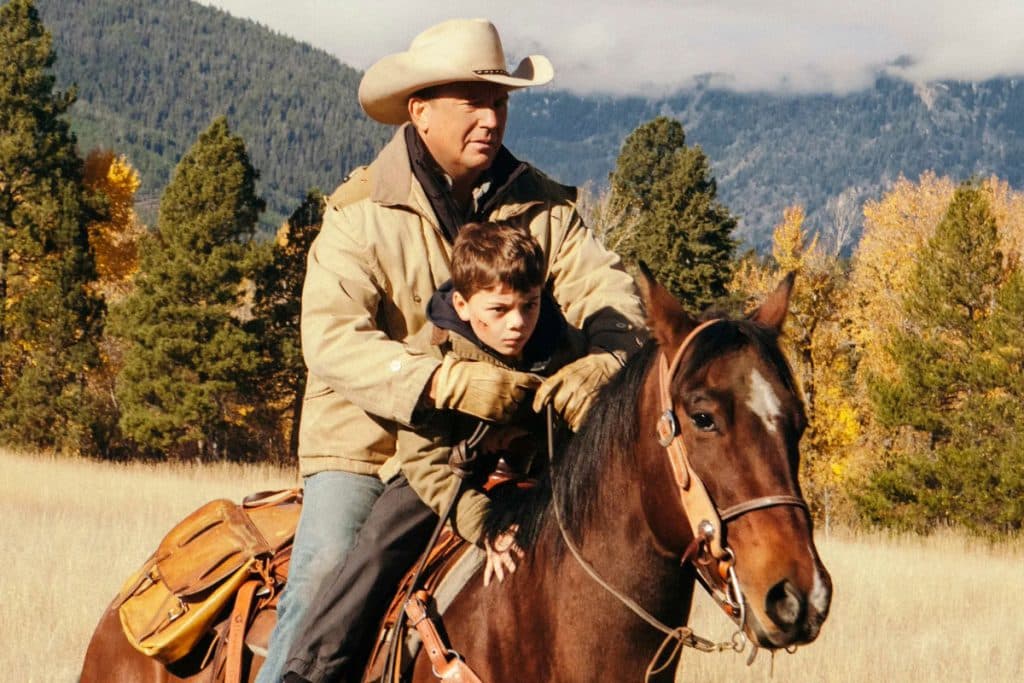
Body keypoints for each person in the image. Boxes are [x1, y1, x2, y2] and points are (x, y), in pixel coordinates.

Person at [256, 17, 645, 683]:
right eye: (472, 101)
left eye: (498, 102)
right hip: (369, 449)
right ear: (420, 110)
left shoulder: (544, 210)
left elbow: (608, 293)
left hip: (518, 442)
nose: (490, 119)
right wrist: (441, 383)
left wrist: (609, 359)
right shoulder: (360, 215)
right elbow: (330, 339)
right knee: (324, 576)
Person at [281, 221, 587, 682]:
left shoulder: (558, 345)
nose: (518, 323)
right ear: (462, 305)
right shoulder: (439, 352)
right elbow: (425, 463)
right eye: (500, 309)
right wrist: (482, 523)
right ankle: (314, 666)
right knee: (377, 546)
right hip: (443, 476)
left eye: (530, 305)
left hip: (531, 472)